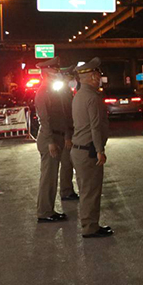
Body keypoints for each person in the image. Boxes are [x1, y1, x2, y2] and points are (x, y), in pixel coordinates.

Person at [71, 58, 112, 237]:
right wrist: (100, 150)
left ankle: (90, 224)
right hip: (88, 150)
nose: (99, 78)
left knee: (86, 190)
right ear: (93, 76)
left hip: (79, 149)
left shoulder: (79, 95)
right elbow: (95, 126)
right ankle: (90, 227)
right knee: (91, 191)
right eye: (97, 75)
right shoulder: (93, 97)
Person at [34, 57, 71, 223]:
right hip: (50, 138)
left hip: (57, 136)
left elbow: (62, 115)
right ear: (46, 72)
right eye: (54, 69)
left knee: (52, 177)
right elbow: (44, 119)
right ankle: (44, 212)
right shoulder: (43, 92)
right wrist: (50, 141)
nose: (57, 72)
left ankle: (48, 210)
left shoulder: (53, 90)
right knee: (48, 178)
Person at [58, 64, 79, 201]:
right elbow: (64, 115)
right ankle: (66, 191)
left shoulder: (67, 91)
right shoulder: (63, 93)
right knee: (66, 163)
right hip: (67, 133)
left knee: (68, 163)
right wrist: (67, 136)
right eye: (71, 76)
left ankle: (68, 189)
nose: (73, 79)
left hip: (70, 131)